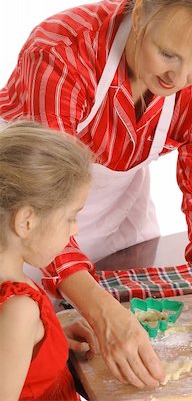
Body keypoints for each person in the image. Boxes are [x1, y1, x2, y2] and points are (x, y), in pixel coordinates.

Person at [0, 0, 192, 390]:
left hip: (118, 206)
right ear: (141, 12)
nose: (181, 78)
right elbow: (46, 199)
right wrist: (99, 311)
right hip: (28, 207)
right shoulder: (63, 51)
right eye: (168, 54)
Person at [0, 121, 98, 400]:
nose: (75, 229)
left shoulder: (15, 286)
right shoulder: (19, 310)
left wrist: (49, 341)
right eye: (71, 217)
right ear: (26, 222)